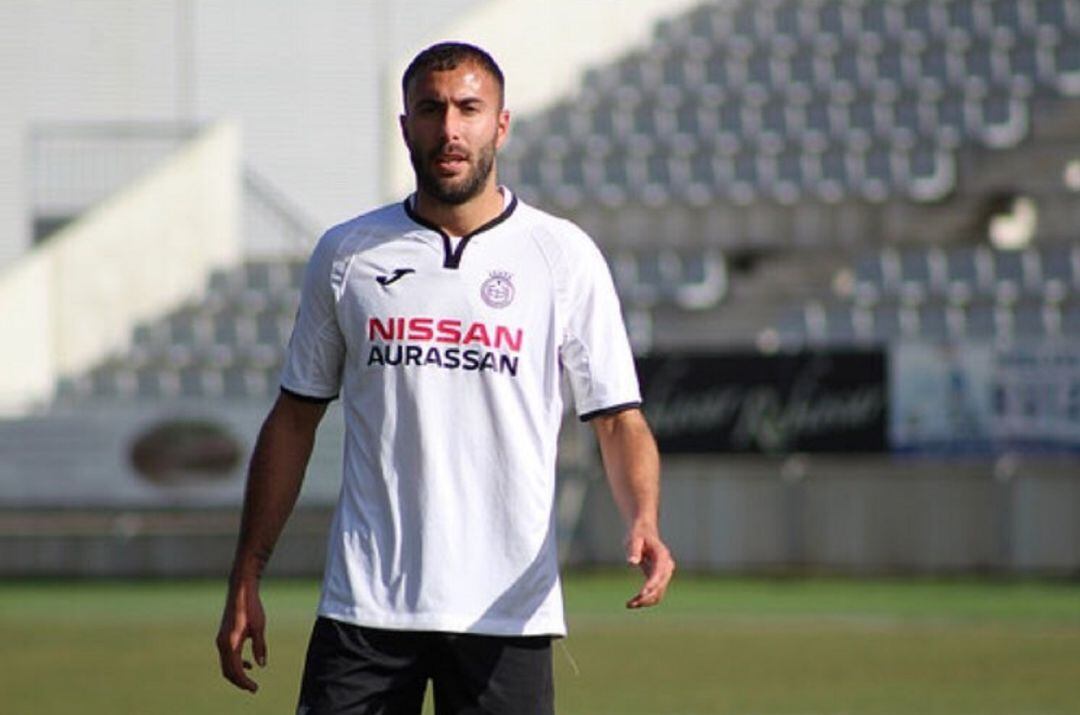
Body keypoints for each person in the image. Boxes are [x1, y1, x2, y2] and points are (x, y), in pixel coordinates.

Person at [215, 41, 675, 715]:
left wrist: (645, 516)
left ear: (502, 123)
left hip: (505, 611)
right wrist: (247, 571)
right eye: (430, 110)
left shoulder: (563, 255)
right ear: (406, 127)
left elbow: (616, 417)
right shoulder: (347, 255)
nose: (450, 128)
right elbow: (293, 417)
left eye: (468, 108)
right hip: (366, 607)